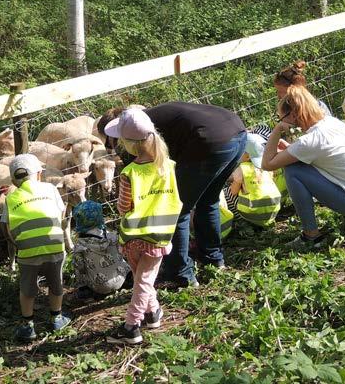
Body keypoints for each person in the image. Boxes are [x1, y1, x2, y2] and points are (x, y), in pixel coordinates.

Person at [98, 102, 246, 288]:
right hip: (237, 132)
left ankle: (180, 274)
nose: (112, 146)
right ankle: (213, 258)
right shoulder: (152, 120)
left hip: (211, 141)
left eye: (110, 140)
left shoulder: (141, 130)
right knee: (207, 200)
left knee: (177, 209)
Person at [259, 86, 345, 249]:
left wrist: (277, 130)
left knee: (293, 171)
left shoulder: (310, 141)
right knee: (295, 164)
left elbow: (267, 164)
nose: (280, 121)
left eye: (280, 118)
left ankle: (310, 236)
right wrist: (290, 149)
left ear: (292, 115)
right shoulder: (330, 122)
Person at [104, 108, 183, 345]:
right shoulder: (168, 166)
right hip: (159, 236)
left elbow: (123, 207)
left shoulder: (129, 173)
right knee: (144, 279)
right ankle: (152, 312)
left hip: (132, 238)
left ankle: (131, 326)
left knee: (143, 280)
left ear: (128, 144)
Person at [2, 154, 71, 342]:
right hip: (55, 246)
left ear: (13, 181)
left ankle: (28, 325)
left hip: (27, 251)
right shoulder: (50, 188)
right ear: (39, 174)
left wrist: (20, 244)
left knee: (27, 287)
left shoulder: (10, 198)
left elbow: (8, 228)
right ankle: (56, 318)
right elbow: (61, 213)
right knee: (56, 283)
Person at [70, 201, 130, 300]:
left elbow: (79, 266)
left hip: (99, 287)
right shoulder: (112, 236)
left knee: (77, 262)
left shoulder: (80, 245)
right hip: (121, 278)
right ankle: (129, 279)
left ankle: (85, 290)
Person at [225, 133, 282, 228]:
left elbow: (233, 192)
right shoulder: (267, 166)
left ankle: (243, 220)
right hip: (272, 211)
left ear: (247, 156)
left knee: (226, 193)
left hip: (253, 213)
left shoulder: (242, 169)